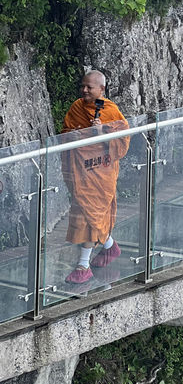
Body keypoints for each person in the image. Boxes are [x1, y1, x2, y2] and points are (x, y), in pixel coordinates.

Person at [61, 71, 130, 285]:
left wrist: (102, 132)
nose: (84, 90)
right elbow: (65, 131)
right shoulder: (76, 108)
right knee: (86, 213)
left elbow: (123, 143)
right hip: (81, 172)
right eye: (83, 86)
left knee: (90, 215)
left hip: (101, 174)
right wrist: (72, 135)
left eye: (89, 87)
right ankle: (110, 247)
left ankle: (83, 266)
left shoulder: (111, 111)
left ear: (102, 90)